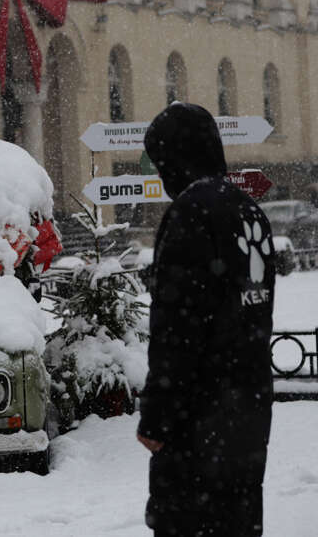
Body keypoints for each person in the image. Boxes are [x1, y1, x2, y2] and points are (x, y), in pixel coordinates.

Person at [137, 102, 275, 536]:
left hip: (198, 412)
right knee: (238, 518)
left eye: (162, 162)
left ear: (175, 158)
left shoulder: (190, 213)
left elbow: (177, 326)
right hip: (249, 405)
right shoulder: (250, 211)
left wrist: (158, 416)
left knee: (188, 521)